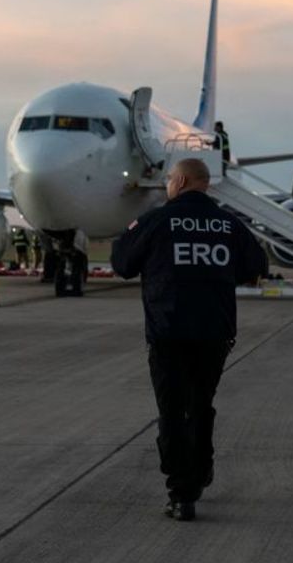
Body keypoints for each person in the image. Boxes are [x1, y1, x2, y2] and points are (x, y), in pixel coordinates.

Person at [111, 157, 267, 522]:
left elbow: (122, 265)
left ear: (180, 181)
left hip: (169, 333)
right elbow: (254, 267)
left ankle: (182, 493)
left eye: (168, 179)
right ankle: (201, 469)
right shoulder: (229, 224)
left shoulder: (157, 221)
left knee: (172, 410)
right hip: (214, 333)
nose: (167, 184)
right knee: (201, 404)